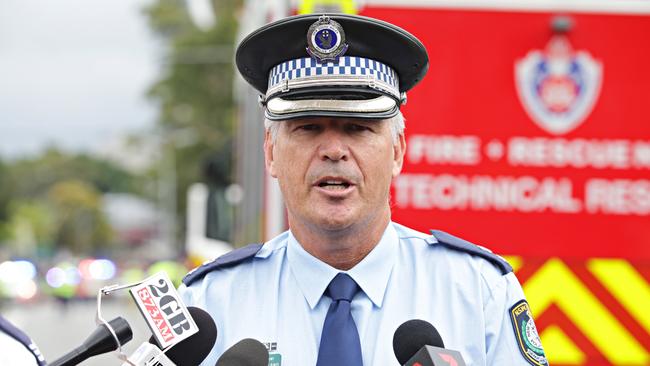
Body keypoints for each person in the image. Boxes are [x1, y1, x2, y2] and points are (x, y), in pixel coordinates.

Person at [179, 13, 548, 366]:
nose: (334, 150)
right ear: (272, 153)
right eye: (308, 128)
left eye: (358, 128)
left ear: (398, 152)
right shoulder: (210, 303)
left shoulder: (477, 291)